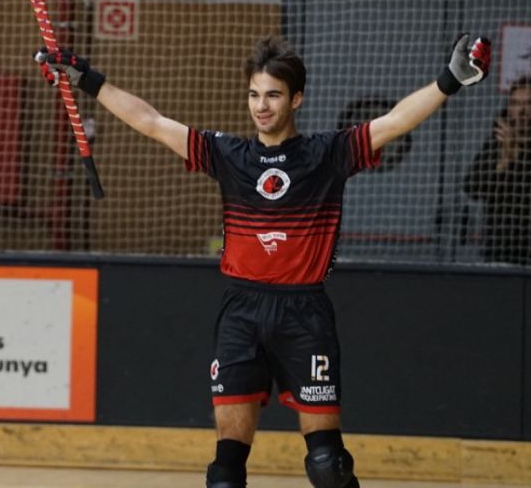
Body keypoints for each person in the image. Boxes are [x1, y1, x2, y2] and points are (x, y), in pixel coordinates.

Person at [36, 34, 491, 488]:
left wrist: (450, 80)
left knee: (328, 465)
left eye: (273, 95)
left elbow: (393, 122)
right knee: (225, 474)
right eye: (254, 94)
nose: (261, 105)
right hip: (242, 313)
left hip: (305, 315)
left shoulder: (327, 154)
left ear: (297, 99)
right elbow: (152, 121)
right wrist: (87, 80)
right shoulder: (229, 156)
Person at [463, 76, 531, 266]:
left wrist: (517, 157)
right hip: (499, 247)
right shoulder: (496, 142)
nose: (522, 111)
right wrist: (504, 161)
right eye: (515, 103)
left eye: (529, 103)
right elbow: (471, 187)